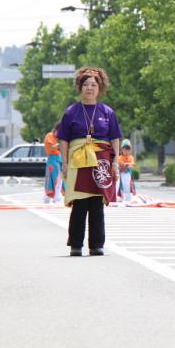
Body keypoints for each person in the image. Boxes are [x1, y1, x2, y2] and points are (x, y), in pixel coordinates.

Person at [58, 67, 122, 256]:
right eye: (85, 84)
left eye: (93, 85)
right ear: (80, 87)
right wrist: (64, 163)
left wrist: (116, 161)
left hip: (101, 161)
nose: (89, 88)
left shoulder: (107, 112)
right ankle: (76, 244)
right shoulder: (71, 112)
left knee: (96, 203)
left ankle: (97, 245)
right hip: (78, 161)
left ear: (99, 88)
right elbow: (63, 140)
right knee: (79, 203)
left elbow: (115, 138)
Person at [43, 123, 63, 203]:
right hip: (52, 158)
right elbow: (51, 147)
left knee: (60, 179)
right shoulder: (50, 135)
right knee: (52, 178)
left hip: (59, 158)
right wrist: (59, 144)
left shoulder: (59, 137)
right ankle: (48, 195)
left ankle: (56, 196)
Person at [117, 139, 136, 204]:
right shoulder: (120, 157)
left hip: (127, 174)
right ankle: (121, 197)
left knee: (128, 185)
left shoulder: (131, 157)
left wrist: (125, 165)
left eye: (128, 149)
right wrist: (126, 165)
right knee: (120, 185)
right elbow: (120, 164)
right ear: (122, 149)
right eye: (125, 149)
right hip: (121, 174)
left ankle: (128, 198)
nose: (126, 151)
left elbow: (131, 165)